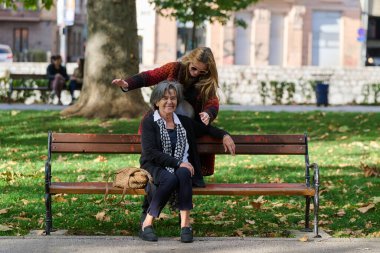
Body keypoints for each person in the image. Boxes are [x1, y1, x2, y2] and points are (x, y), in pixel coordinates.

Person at [139, 80, 235, 242]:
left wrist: (224, 135)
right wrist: (177, 163)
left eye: (173, 98)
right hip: (154, 165)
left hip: (180, 166)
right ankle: (147, 223)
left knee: (184, 173)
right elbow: (150, 153)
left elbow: (207, 129)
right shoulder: (150, 122)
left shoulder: (182, 122)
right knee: (170, 178)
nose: (170, 102)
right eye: (165, 98)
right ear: (156, 101)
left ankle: (185, 225)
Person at [112, 46, 220, 176]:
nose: (196, 73)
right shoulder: (174, 68)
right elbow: (150, 76)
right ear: (189, 61)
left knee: (182, 164)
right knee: (162, 162)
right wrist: (128, 84)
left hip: (187, 127)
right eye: (194, 68)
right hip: (162, 122)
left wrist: (208, 113)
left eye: (202, 72)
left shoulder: (207, 81)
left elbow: (213, 102)